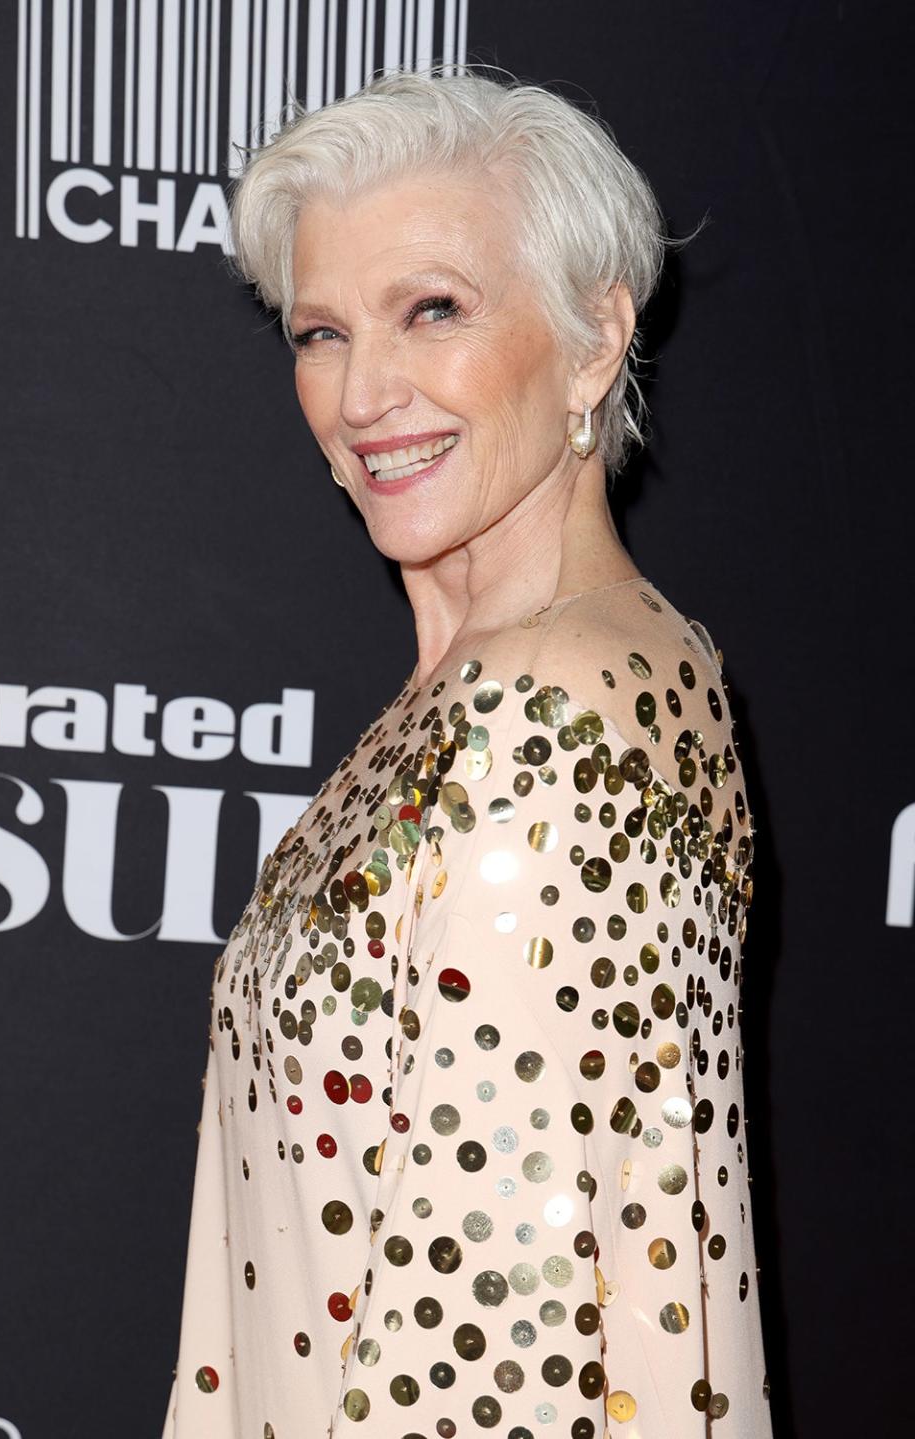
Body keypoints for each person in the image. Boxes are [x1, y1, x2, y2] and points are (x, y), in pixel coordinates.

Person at [162, 66, 773, 1438]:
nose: (365, 390)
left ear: (595, 338)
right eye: (320, 332)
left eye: (431, 310)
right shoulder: (525, 685)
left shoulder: (541, 715)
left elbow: (480, 1347)